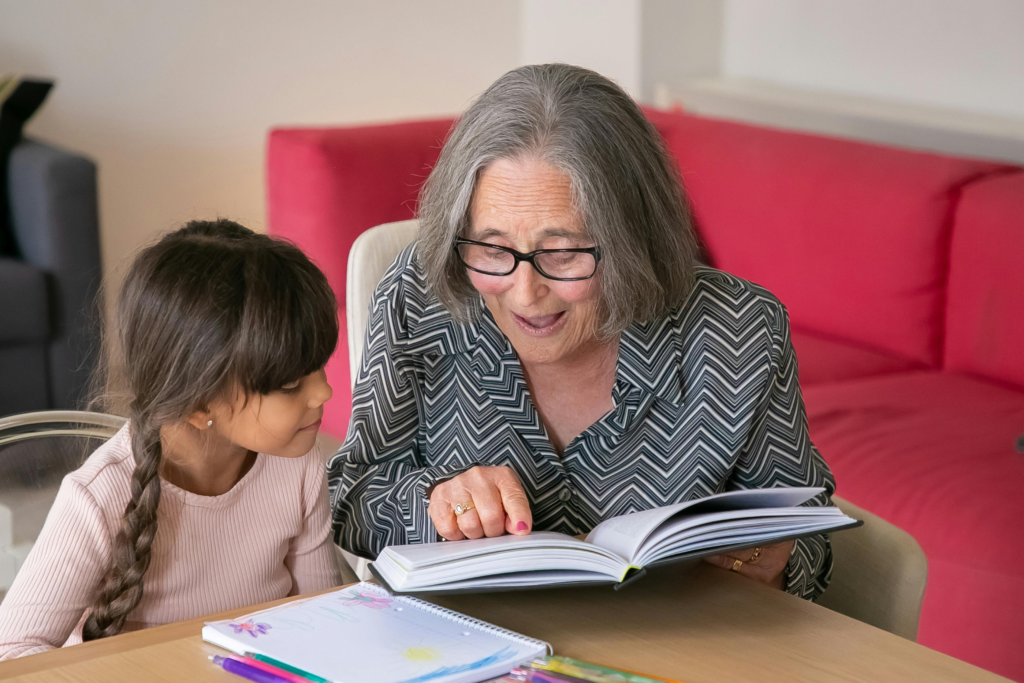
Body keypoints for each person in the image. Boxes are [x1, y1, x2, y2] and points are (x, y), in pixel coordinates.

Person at [329, 64, 836, 600]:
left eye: (564, 253)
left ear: (633, 240)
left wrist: (770, 558)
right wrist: (434, 500)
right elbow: (352, 495)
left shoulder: (739, 329)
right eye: (493, 249)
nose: (524, 293)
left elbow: (807, 529)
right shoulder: (423, 294)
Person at [0, 220, 341, 658]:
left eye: (319, 366)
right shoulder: (98, 497)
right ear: (199, 405)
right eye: (292, 383)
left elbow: (323, 620)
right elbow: (12, 652)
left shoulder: (298, 465)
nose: (324, 392)